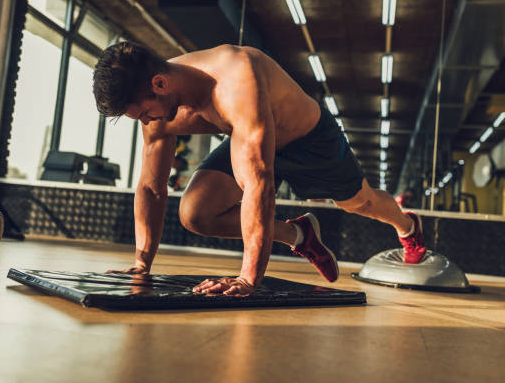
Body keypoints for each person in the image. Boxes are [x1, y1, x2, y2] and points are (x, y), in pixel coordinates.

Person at [93, 42, 426, 296]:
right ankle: (299, 235)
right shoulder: (159, 109)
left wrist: (247, 278)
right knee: (195, 213)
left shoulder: (236, 81)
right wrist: (141, 263)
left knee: (360, 202)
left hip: (309, 140)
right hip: (247, 136)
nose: (147, 122)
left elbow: (259, 186)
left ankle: (408, 226)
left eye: (144, 114)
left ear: (159, 84)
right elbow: (151, 188)